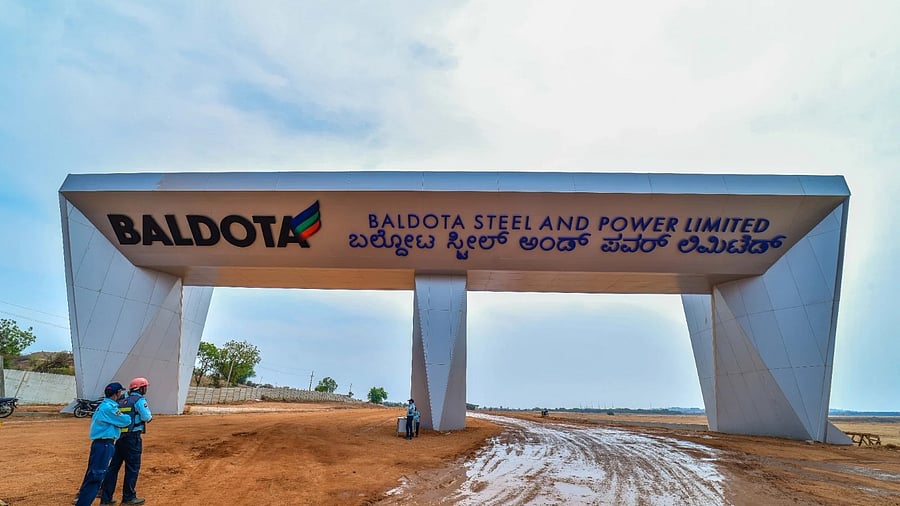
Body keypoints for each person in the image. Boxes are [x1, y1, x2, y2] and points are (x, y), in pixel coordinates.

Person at [74, 382, 131, 506]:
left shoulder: (103, 405)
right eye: (120, 392)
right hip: (105, 444)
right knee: (96, 476)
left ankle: (82, 500)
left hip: (99, 444)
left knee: (92, 474)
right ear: (116, 394)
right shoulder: (109, 408)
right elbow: (125, 421)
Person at [100, 377, 152, 505]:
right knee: (132, 468)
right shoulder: (139, 400)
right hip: (133, 438)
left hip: (120, 437)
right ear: (140, 388)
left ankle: (106, 499)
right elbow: (146, 417)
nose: (146, 389)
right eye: (145, 387)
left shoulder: (122, 398)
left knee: (113, 467)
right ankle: (128, 497)